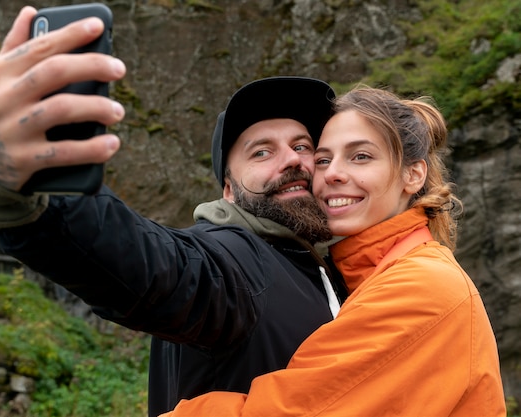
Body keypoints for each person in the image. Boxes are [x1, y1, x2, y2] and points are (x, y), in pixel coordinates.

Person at [0, 6, 346, 417]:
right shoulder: (234, 264)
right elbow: (155, 265)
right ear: (227, 189)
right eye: (261, 151)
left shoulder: (339, 274)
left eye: (302, 146)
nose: (292, 160)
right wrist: (11, 182)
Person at [162, 87, 507, 416]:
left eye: (360, 156)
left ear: (413, 175)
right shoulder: (356, 277)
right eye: (323, 159)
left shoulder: (423, 285)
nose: (334, 174)